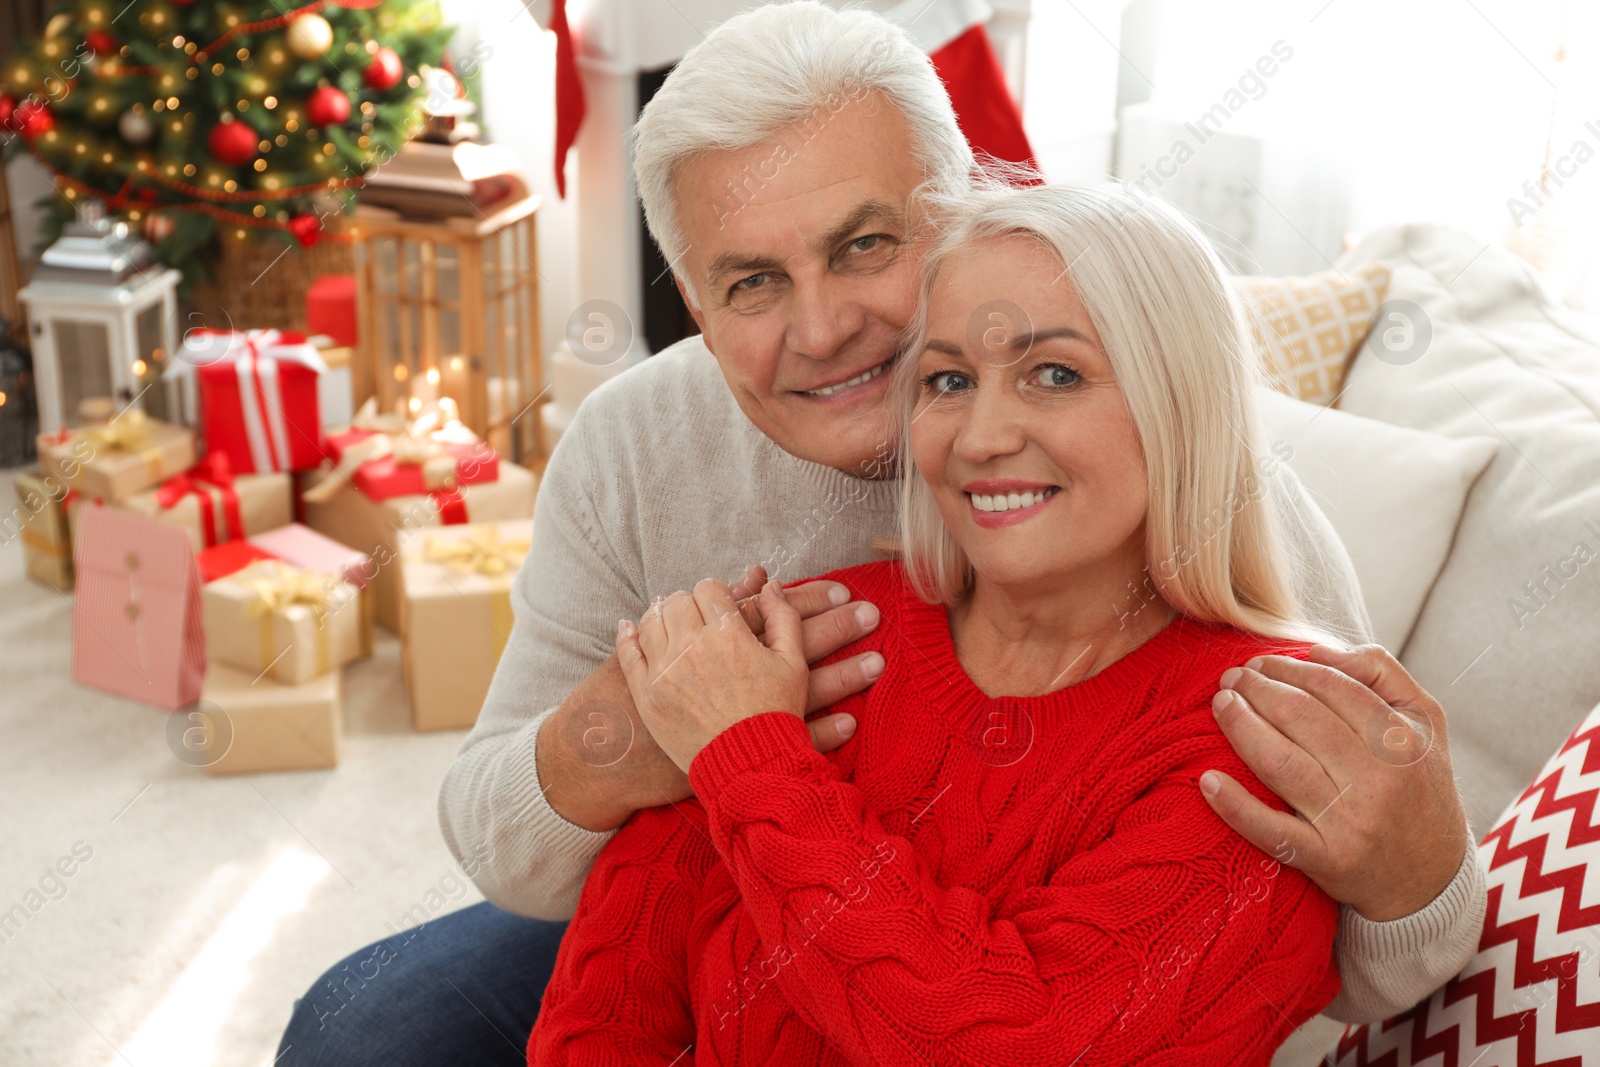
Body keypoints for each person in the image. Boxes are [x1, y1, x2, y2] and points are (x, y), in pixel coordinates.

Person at [276, 4, 1482, 1063]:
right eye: (750, 282)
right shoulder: (635, 443)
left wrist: (1418, 880)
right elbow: (504, 836)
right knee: (364, 1022)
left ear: (961, 213)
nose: (823, 327)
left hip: (1005, 958)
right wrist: (638, 734)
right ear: (692, 304)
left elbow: (1348, 947)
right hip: (745, 898)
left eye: (865, 245)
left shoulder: (1197, 493)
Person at [530, 180, 1350, 1065]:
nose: (982, 434)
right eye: (949, 379)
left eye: (1055, 373)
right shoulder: (830, 630)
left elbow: (1014, 1046)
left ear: (1178, 401)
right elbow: (609, 1000)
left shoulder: (1267, 740)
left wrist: (749, 756)